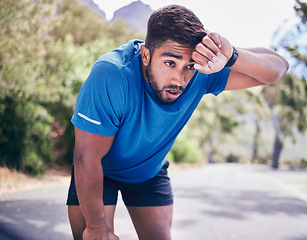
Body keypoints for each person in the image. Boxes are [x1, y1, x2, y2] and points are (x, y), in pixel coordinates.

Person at [66, 4, 289, 240]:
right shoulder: (112, 73)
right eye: (170, 63)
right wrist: (97, 227)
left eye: (189, 67)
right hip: (99, 170)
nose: (179, 79)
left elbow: (278, 67)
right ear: (145, 55)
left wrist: (232, 55)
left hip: (148, 173)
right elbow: (86, 157)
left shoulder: (203, 72)